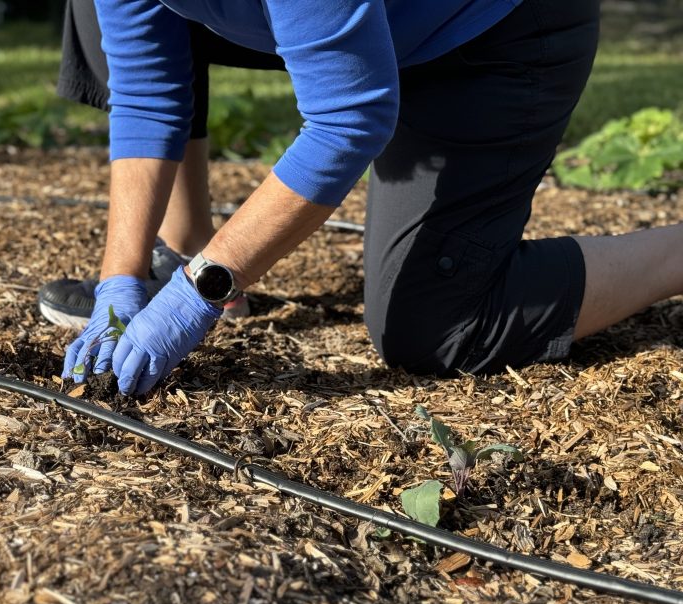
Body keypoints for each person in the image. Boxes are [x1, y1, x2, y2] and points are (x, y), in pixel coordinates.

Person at [38, 0, 683, 396]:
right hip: (383, 19)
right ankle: (174, 249)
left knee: (435, 328)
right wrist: (116, 280)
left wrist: (200, 290)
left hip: (493, 33)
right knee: (91, 12)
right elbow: (149, 91)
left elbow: (348, 118)